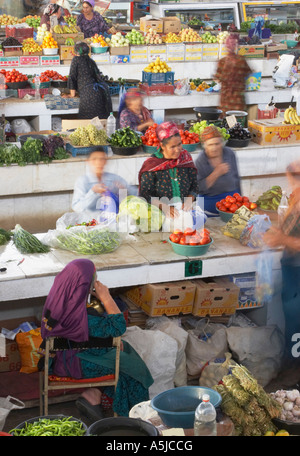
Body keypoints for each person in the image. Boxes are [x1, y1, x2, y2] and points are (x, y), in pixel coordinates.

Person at [39, 259, 153, 418]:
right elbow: (118, 327)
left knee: (123, 348)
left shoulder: (58, 299)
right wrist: (106, 297)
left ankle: (93, 396)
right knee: (132, 370)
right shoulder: (78, 318)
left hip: (61, 355)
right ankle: (136, 417)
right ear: (84, 285)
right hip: (74, 364)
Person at [264, 160, 300, 365]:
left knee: (296, 320)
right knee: (292, 318)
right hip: (291, 267)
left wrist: (282, 239)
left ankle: (294, 368)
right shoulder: (295, 197)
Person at [138, 122, 199, 219]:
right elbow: (145, 195)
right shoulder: (151, 166)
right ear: (162, 146)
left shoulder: (186, 158)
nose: (178, 149)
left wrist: (189, 200)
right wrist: (164, 207)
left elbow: (195, 186)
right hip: (160, 214)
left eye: (179, 144)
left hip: (186, 211)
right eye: (172, 147)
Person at [72, 148, 135, 213]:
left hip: (112, 220)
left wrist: (124, 192)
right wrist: (93, 192)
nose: (98, 162)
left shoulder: (114, 178)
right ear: (88, 161)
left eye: (102, 159)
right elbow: (76, 207)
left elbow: (135, 195)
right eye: (94, 159)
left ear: (106, 161)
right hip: (90, 221)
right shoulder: (83, 181)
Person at [195, 125, 241, 214]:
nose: (214, 148)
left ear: (222, 143)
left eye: (217, 144)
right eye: (210, 144)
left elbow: (237, 179)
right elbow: (198, 188)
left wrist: (240, 200)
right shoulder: (200, 161)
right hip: (210, 206)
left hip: (232, 204)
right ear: (204, 146)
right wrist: (216, 173)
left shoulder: (229, 153)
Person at [66, 41, 112, 120]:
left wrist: (72, 94)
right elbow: (98, 76)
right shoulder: (91, 61)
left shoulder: (76, 60)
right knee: (100, 122)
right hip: (100, 93)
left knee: (87, 122)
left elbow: (72, 77)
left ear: (76, 51)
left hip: (88, 94)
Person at [214, 33, 252, 116]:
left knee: (226, 124)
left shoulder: (222, 62)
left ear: (226, 46)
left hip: (226, 101)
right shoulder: (241, 60)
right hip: (238, 100)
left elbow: (217, 78)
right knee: (239, 125)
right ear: (236, 46)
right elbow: (249, 73)